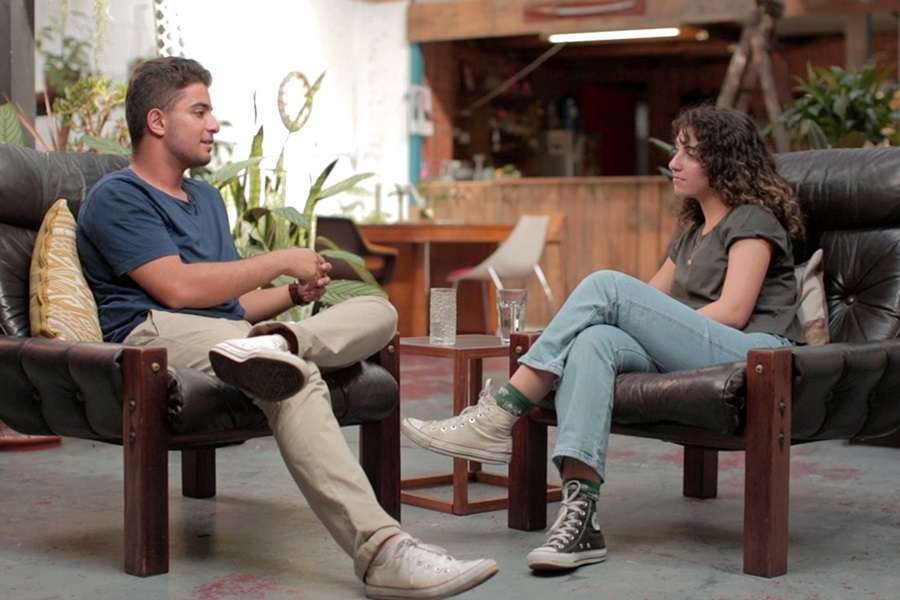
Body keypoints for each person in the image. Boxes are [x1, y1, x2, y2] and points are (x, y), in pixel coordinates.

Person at [76, 56, 497, 600]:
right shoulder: (119, 197)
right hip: (153, 334)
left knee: (380, 311)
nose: (214, 124)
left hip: (226, 336)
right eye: (199, 110)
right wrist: (278, 259)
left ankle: (284, 341)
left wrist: (294, 298)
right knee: (291, 378)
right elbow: (178, 289)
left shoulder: (203, 198)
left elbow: (231, 305)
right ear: (157, 122)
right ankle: (382, 552)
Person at [401, 105, 806, 572]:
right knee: (595, 339)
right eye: (677, 149)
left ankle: (502, 411)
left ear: (724, 161)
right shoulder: (693, 229)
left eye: (689, 153)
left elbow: (734, 311)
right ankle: (582, 515)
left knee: (607, 287)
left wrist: (657, 323)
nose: (674, 162)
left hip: (755, 352)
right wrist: (651, 324)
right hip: (704, 347)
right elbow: (650, 301)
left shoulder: (753, 219)